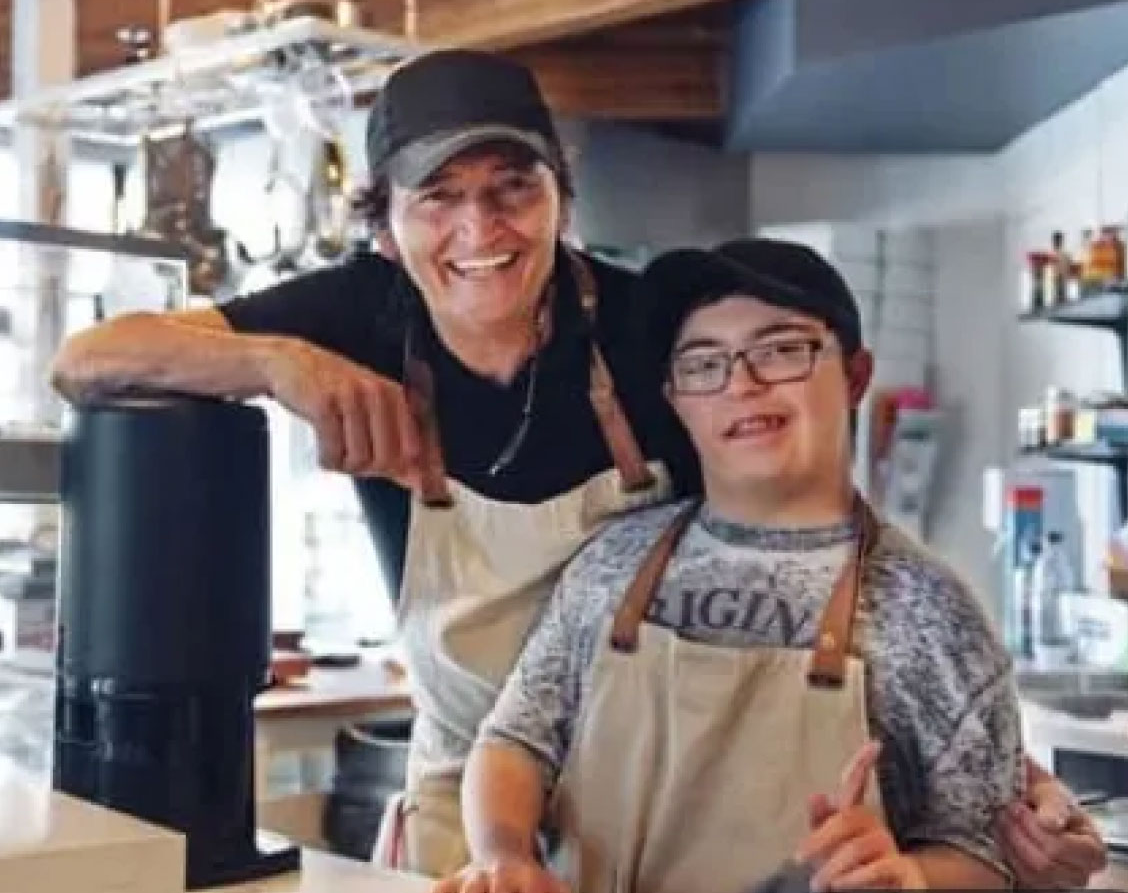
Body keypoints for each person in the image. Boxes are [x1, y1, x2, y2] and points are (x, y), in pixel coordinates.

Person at [50, 49, 1104, 884]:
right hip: (473, 792)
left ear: (561, 194)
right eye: (439, 198)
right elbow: (85, 360)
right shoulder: (352, 317)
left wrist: (962, 772)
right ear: (384, 224)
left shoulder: (650, 331)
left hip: (660, 786)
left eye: (515, 188)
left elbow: (797, 533)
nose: (480, 230)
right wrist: (272, 362)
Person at [433, 239, 1053, 893]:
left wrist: (910, 878)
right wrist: (506, 852)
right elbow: (515, 742)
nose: (741, 383)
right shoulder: (611, 565)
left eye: (782, 350)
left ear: (855, 375)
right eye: (704, 363)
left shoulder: (929, 609)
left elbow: (989, 854)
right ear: (676, 397)